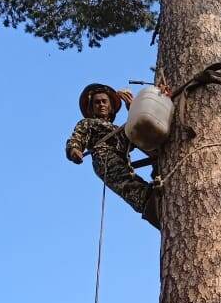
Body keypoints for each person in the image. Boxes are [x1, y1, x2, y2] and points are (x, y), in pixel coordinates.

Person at [66, 83, 160, 228]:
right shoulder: (88, 123)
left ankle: (158, 176)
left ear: (110, 106)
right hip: (105, 158)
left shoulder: (118, 130)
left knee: (134, 176)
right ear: (91, 108)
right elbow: (76, 139)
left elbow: (137, 133)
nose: (101, 105)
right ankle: (153, 207)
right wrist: (74, 150)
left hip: (123, 160)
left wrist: (133, 109)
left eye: (104, 101)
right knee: (128, 186)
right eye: (97, 103)